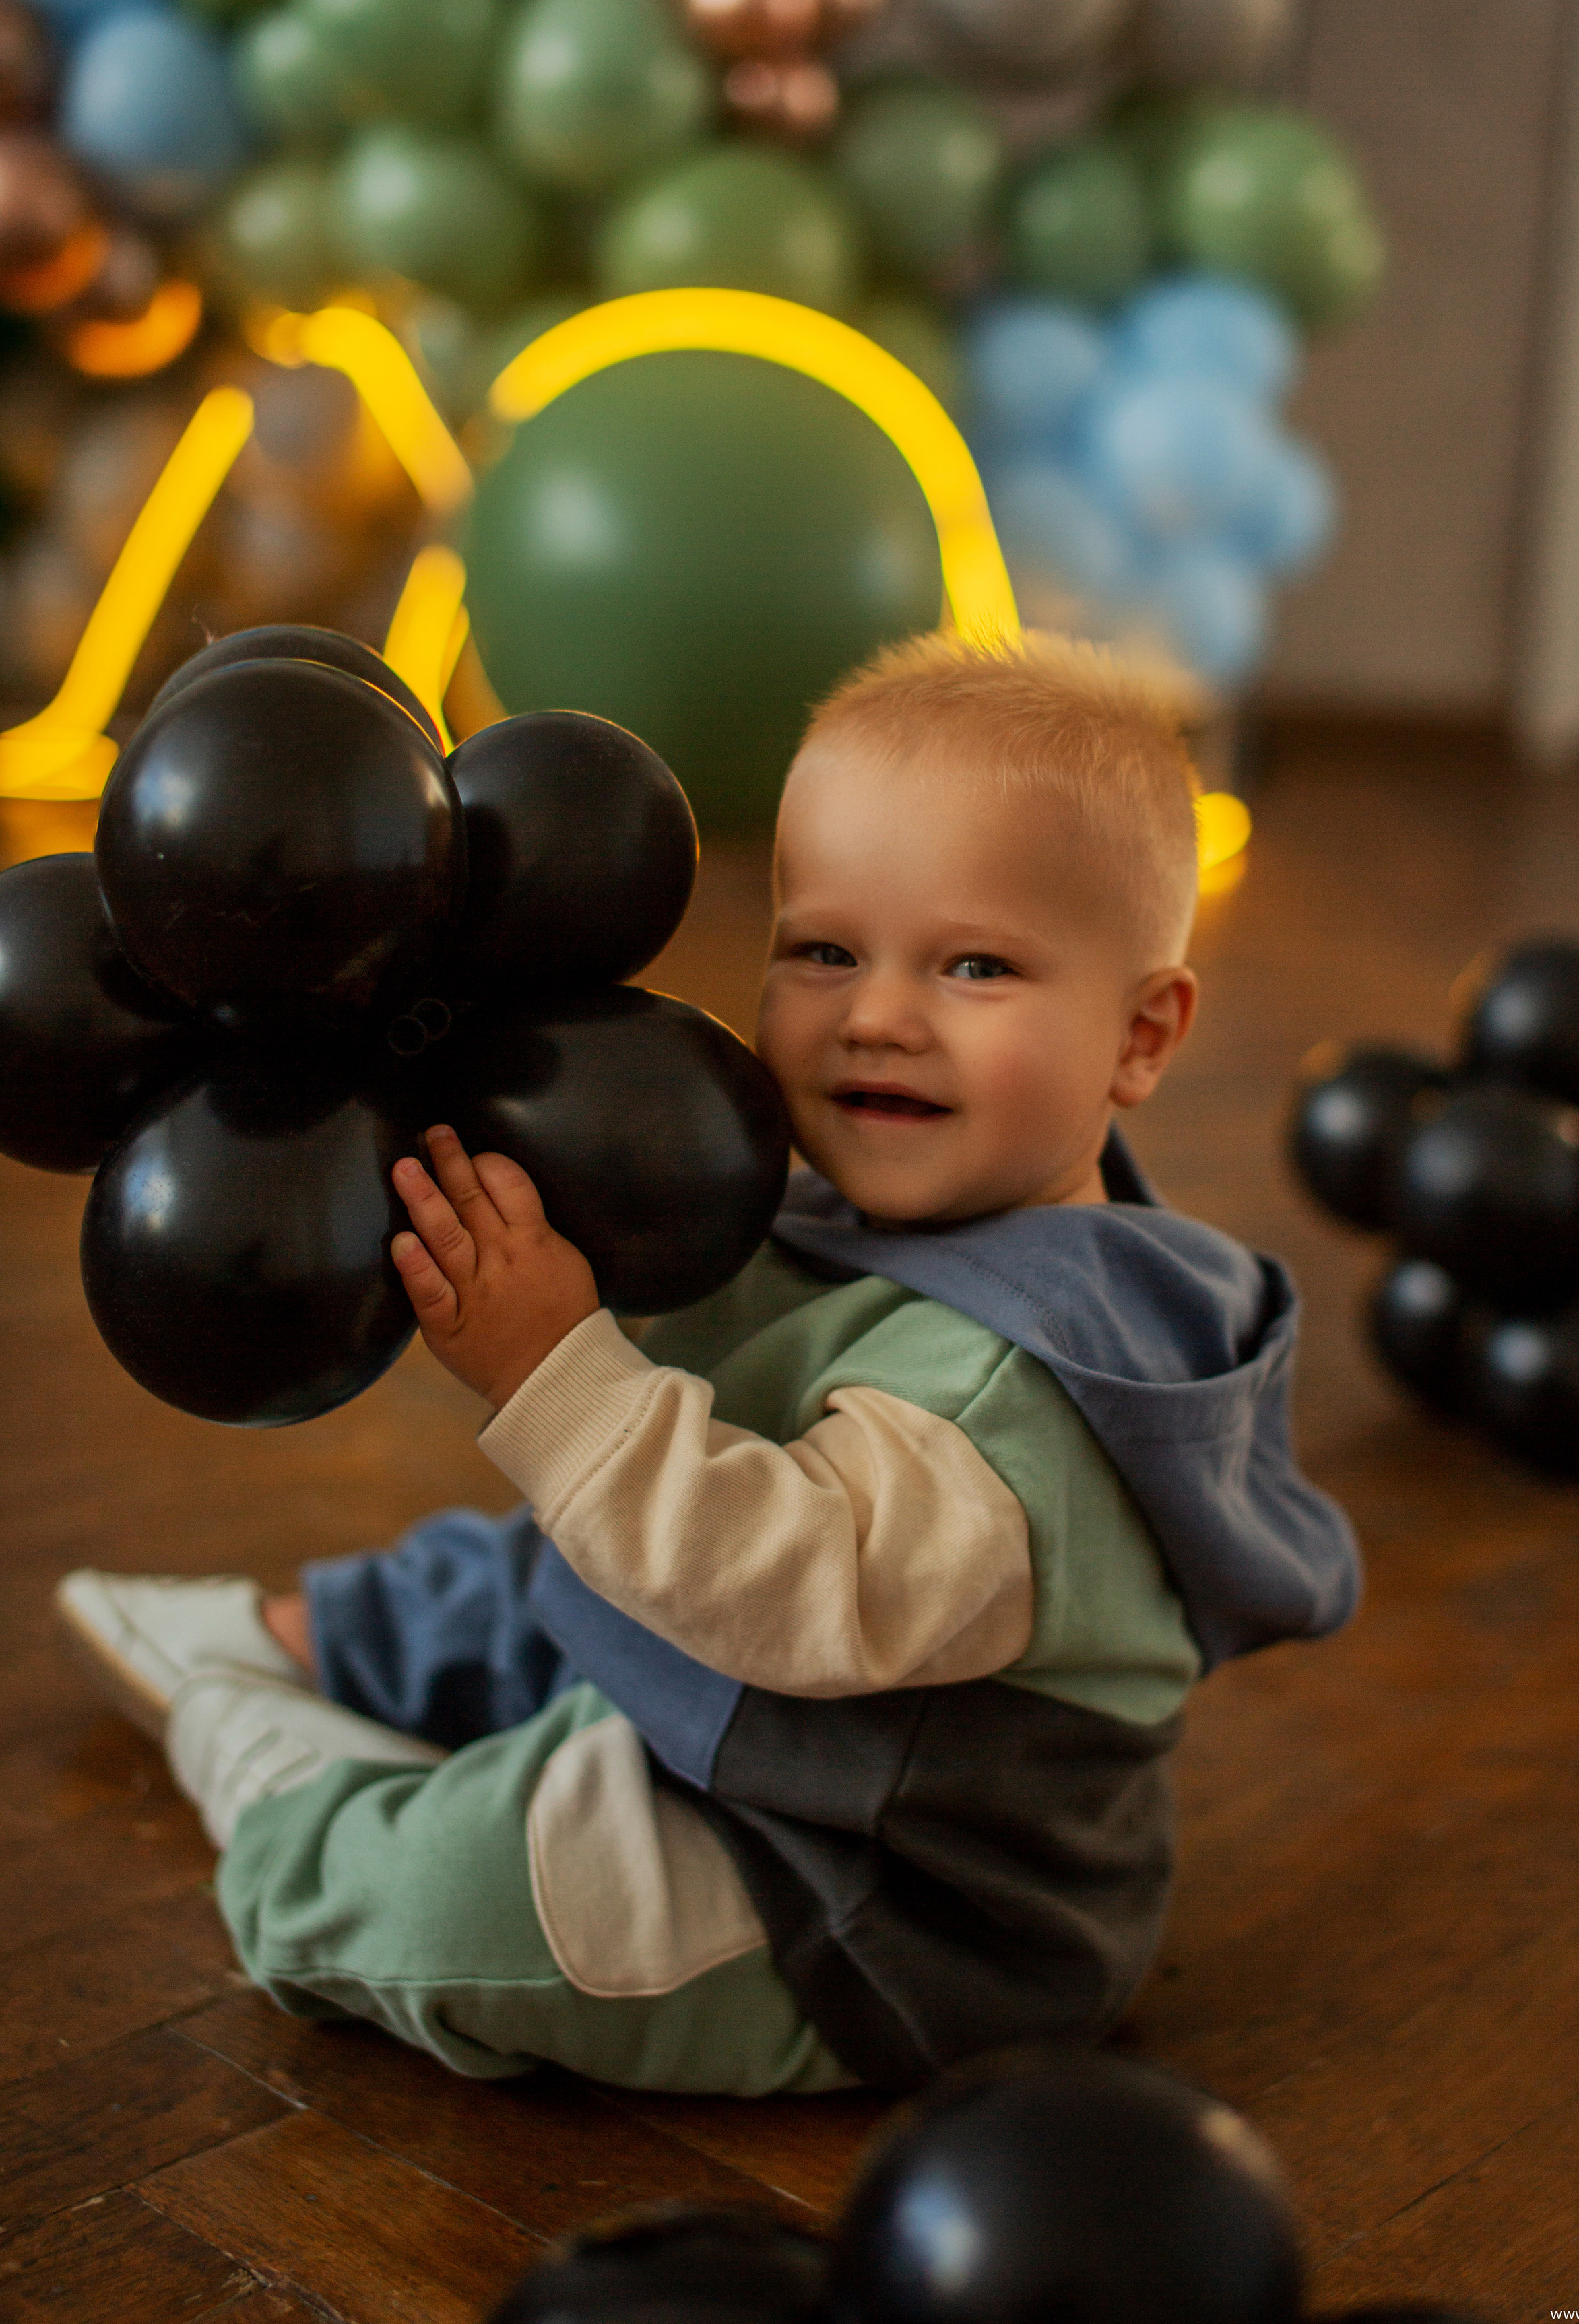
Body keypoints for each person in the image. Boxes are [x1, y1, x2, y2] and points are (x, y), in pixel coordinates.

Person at [55, 632, 1359, 2095]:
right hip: (735, 1711)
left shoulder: (1022, 1394)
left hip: (862, 1897)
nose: (876, 1013)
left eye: (975, 965)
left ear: (1140, 1033)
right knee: (552, 1543)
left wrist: (552, 1371)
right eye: (823, 950)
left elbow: (794, 1590)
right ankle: (320, 1636)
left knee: (456, 1902)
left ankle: (289, 1788)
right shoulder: (869, 1206)